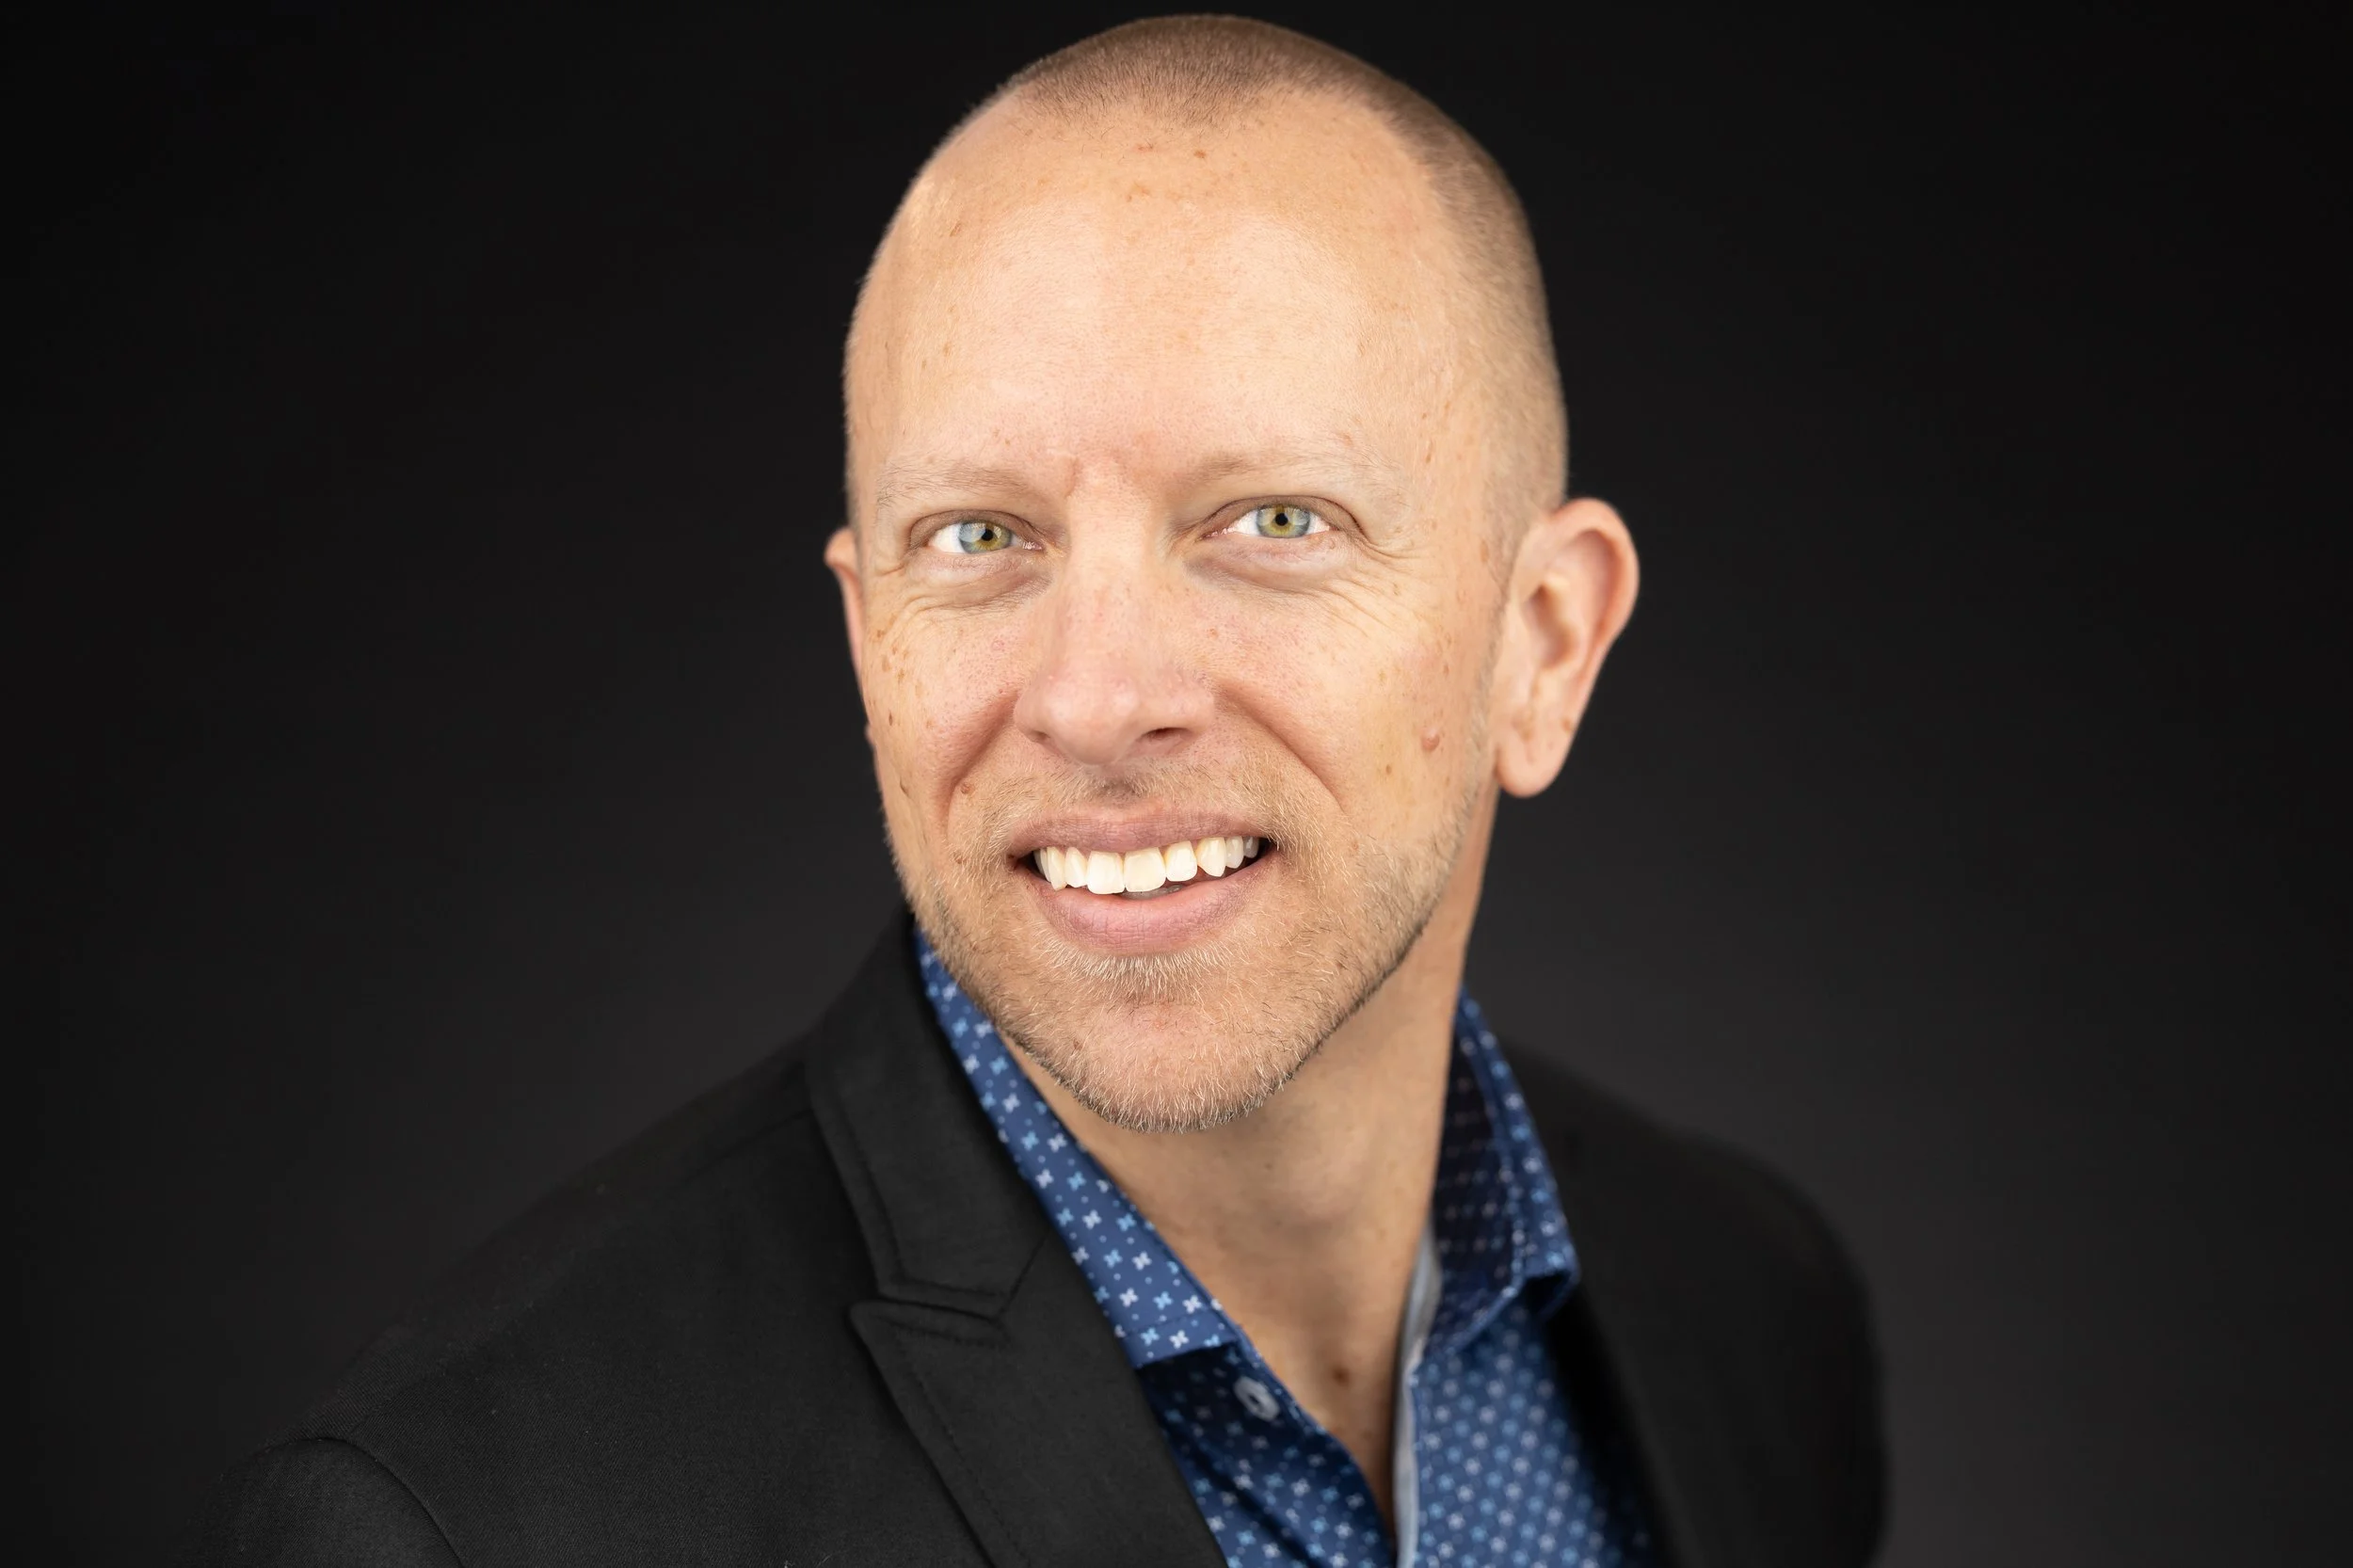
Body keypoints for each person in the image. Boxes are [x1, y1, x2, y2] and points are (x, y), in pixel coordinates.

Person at [192, 17, 1883, 1567]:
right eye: (980, 538)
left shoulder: (1747, 1308)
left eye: (1270, 521)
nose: (1092, 698)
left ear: (1543, 646)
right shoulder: (469, 1521)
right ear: (870, 648)